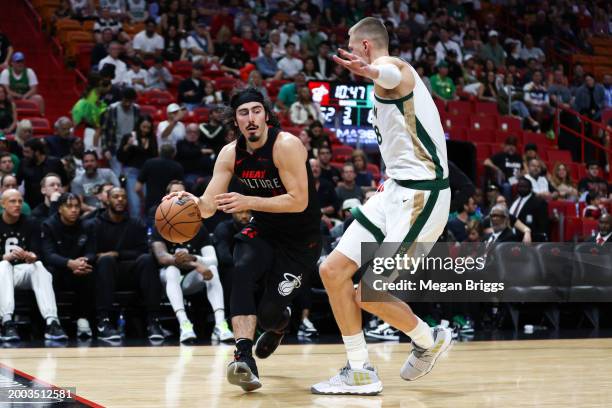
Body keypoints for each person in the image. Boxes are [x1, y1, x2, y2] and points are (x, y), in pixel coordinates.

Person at [312, 17, 452, 395]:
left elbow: (389, 74)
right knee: (332, 271)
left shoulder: (397, 70)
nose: (349, 49)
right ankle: (359, 370)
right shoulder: (381, 83)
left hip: (424, 195)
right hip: (394, 191)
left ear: (365, 48)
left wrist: (373, 69)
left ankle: (429, 338)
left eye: (351, 44)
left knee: (369, 292)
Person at [165, 88, 321, 391]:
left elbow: (298, 201)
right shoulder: (230, 153)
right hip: (263, 227)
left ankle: (280, 324)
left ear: (266, 114)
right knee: (242, 268)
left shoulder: (286, 146)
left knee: (270, 315)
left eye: (256, 110)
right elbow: (209, 206)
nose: (251, 118)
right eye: (243, 113)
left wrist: (248, 199)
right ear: (235, 120)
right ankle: (243, 357)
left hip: (301, 238)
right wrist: (187, 202)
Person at [152, 181, 233, 343]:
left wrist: (195, 259)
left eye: (182, 193)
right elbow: (162, 258)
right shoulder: (161, 224)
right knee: (171, 270)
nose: (178, 196)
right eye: (174, 193)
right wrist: (195, 264)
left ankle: (220, 324)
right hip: (167, 280)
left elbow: (213, 260)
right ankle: (184, 324)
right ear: (166, 198)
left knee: (212, 269)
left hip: (191, 280)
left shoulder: (197, 226)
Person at [86, 186, 163, 341]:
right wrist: (108, 256)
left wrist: (117, 254)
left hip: (131, 273)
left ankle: (153, 321)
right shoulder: (94, 224)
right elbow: (91, 254)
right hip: (104, 273)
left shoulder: (136, 223)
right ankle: (104, 322)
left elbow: (143, 251)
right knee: (106, 261)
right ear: (107, 200)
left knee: (147, 260)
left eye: (123, 197)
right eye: (115, 196)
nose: (120, 199)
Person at [0, 189, 67, 342]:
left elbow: (39, 252)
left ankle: (52, 322)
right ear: (2, 204)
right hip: (2, 273)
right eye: (12, 201)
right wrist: (5, 257)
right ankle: (7, 322)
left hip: (22, 271)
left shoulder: (31, 223)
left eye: (20, 201)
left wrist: (31, 256)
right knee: (3, 265)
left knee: (39, 266)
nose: (17, 205)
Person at [41, 193, 96, 338]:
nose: (74, 210)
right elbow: (48, 255)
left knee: (89, 270)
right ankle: (54, 323)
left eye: (77, 206)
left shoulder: (87, 225)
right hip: (59, 269)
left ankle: (83, 319)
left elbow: (92, 252)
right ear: (60, 209)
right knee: (48, 272)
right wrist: (69, 263)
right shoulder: (49, 225)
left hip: (78, 268)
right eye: (69, 206)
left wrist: (84, 260)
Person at [16, 138, 68, 208]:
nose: (24, 154)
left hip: (53, 203)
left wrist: (61, 198)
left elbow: (65, 183)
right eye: (24, 151)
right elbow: (17, 183)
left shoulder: (55, 163)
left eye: (27, 152)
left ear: (37, 152)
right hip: (31, 205)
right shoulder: (23, 163)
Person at [136, 144, 184, 215]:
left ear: (159, 151)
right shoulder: (178, 167)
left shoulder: (149, 163)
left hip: (150, 204)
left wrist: (143, 199)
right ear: (174, 154)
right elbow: (181, 190)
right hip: (170, 207)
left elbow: (138, 188)